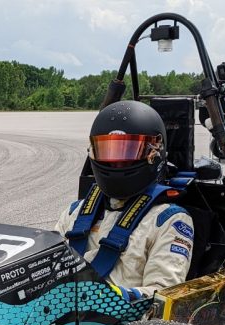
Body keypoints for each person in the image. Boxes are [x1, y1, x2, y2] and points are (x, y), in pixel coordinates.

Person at [55, 100, 194, 301]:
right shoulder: (75, 212)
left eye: (127, 152)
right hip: (64, 311)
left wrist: (106, 297)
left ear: (154, 153)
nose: (115, 162)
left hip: (124, 323)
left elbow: (163, 294)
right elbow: (46, 265)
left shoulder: (168, 220)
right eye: (107, 151)